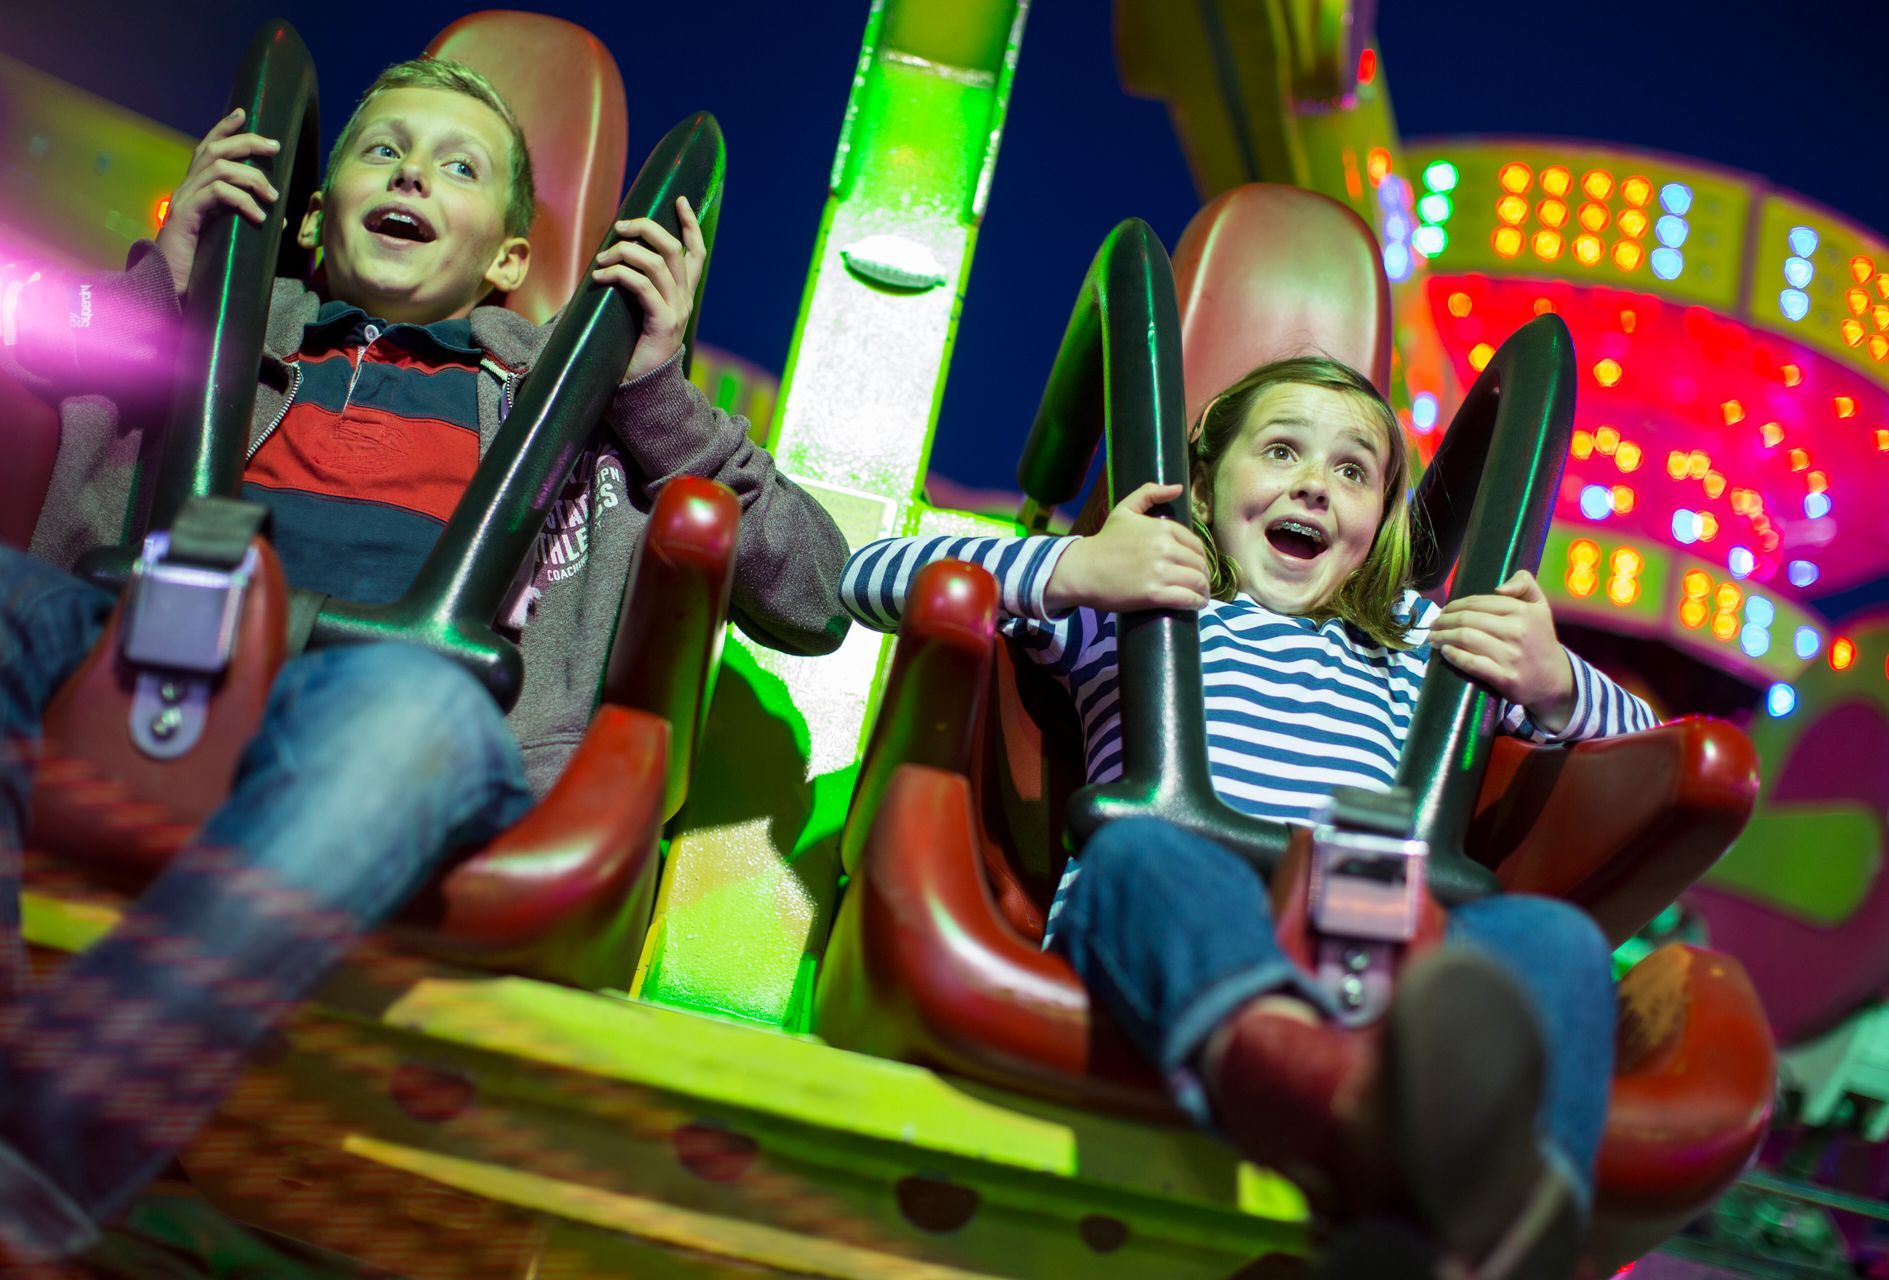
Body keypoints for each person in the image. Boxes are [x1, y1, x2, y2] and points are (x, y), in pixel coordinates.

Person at [0, 57, 848, 1259]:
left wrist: (656, 392)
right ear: (308, 211)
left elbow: (809, 592)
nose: (411, 171)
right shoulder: (234, 321)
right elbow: (33, 354)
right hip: (151, 646)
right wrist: (168, 283)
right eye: (380, 149)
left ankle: (48, 1139)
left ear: (506, 259)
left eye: (459, 168)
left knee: (407, 709)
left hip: (402, 682)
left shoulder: (572, 387)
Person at [839, 356, 1656, 1279]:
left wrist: (1553, 683)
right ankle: (1283, 1071)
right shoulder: (1135, 600)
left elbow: (1646, 741)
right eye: (1281, 451)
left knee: (1556, 939)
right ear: (1202, 483)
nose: (1315, 483)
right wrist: (1078, 566)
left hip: (1368, 940)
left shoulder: (1416, 642)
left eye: (1353, 472)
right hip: (1185, 914)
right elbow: (871, 577)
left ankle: (1514, 1210)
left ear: (1378, 525)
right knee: (1140, 852)